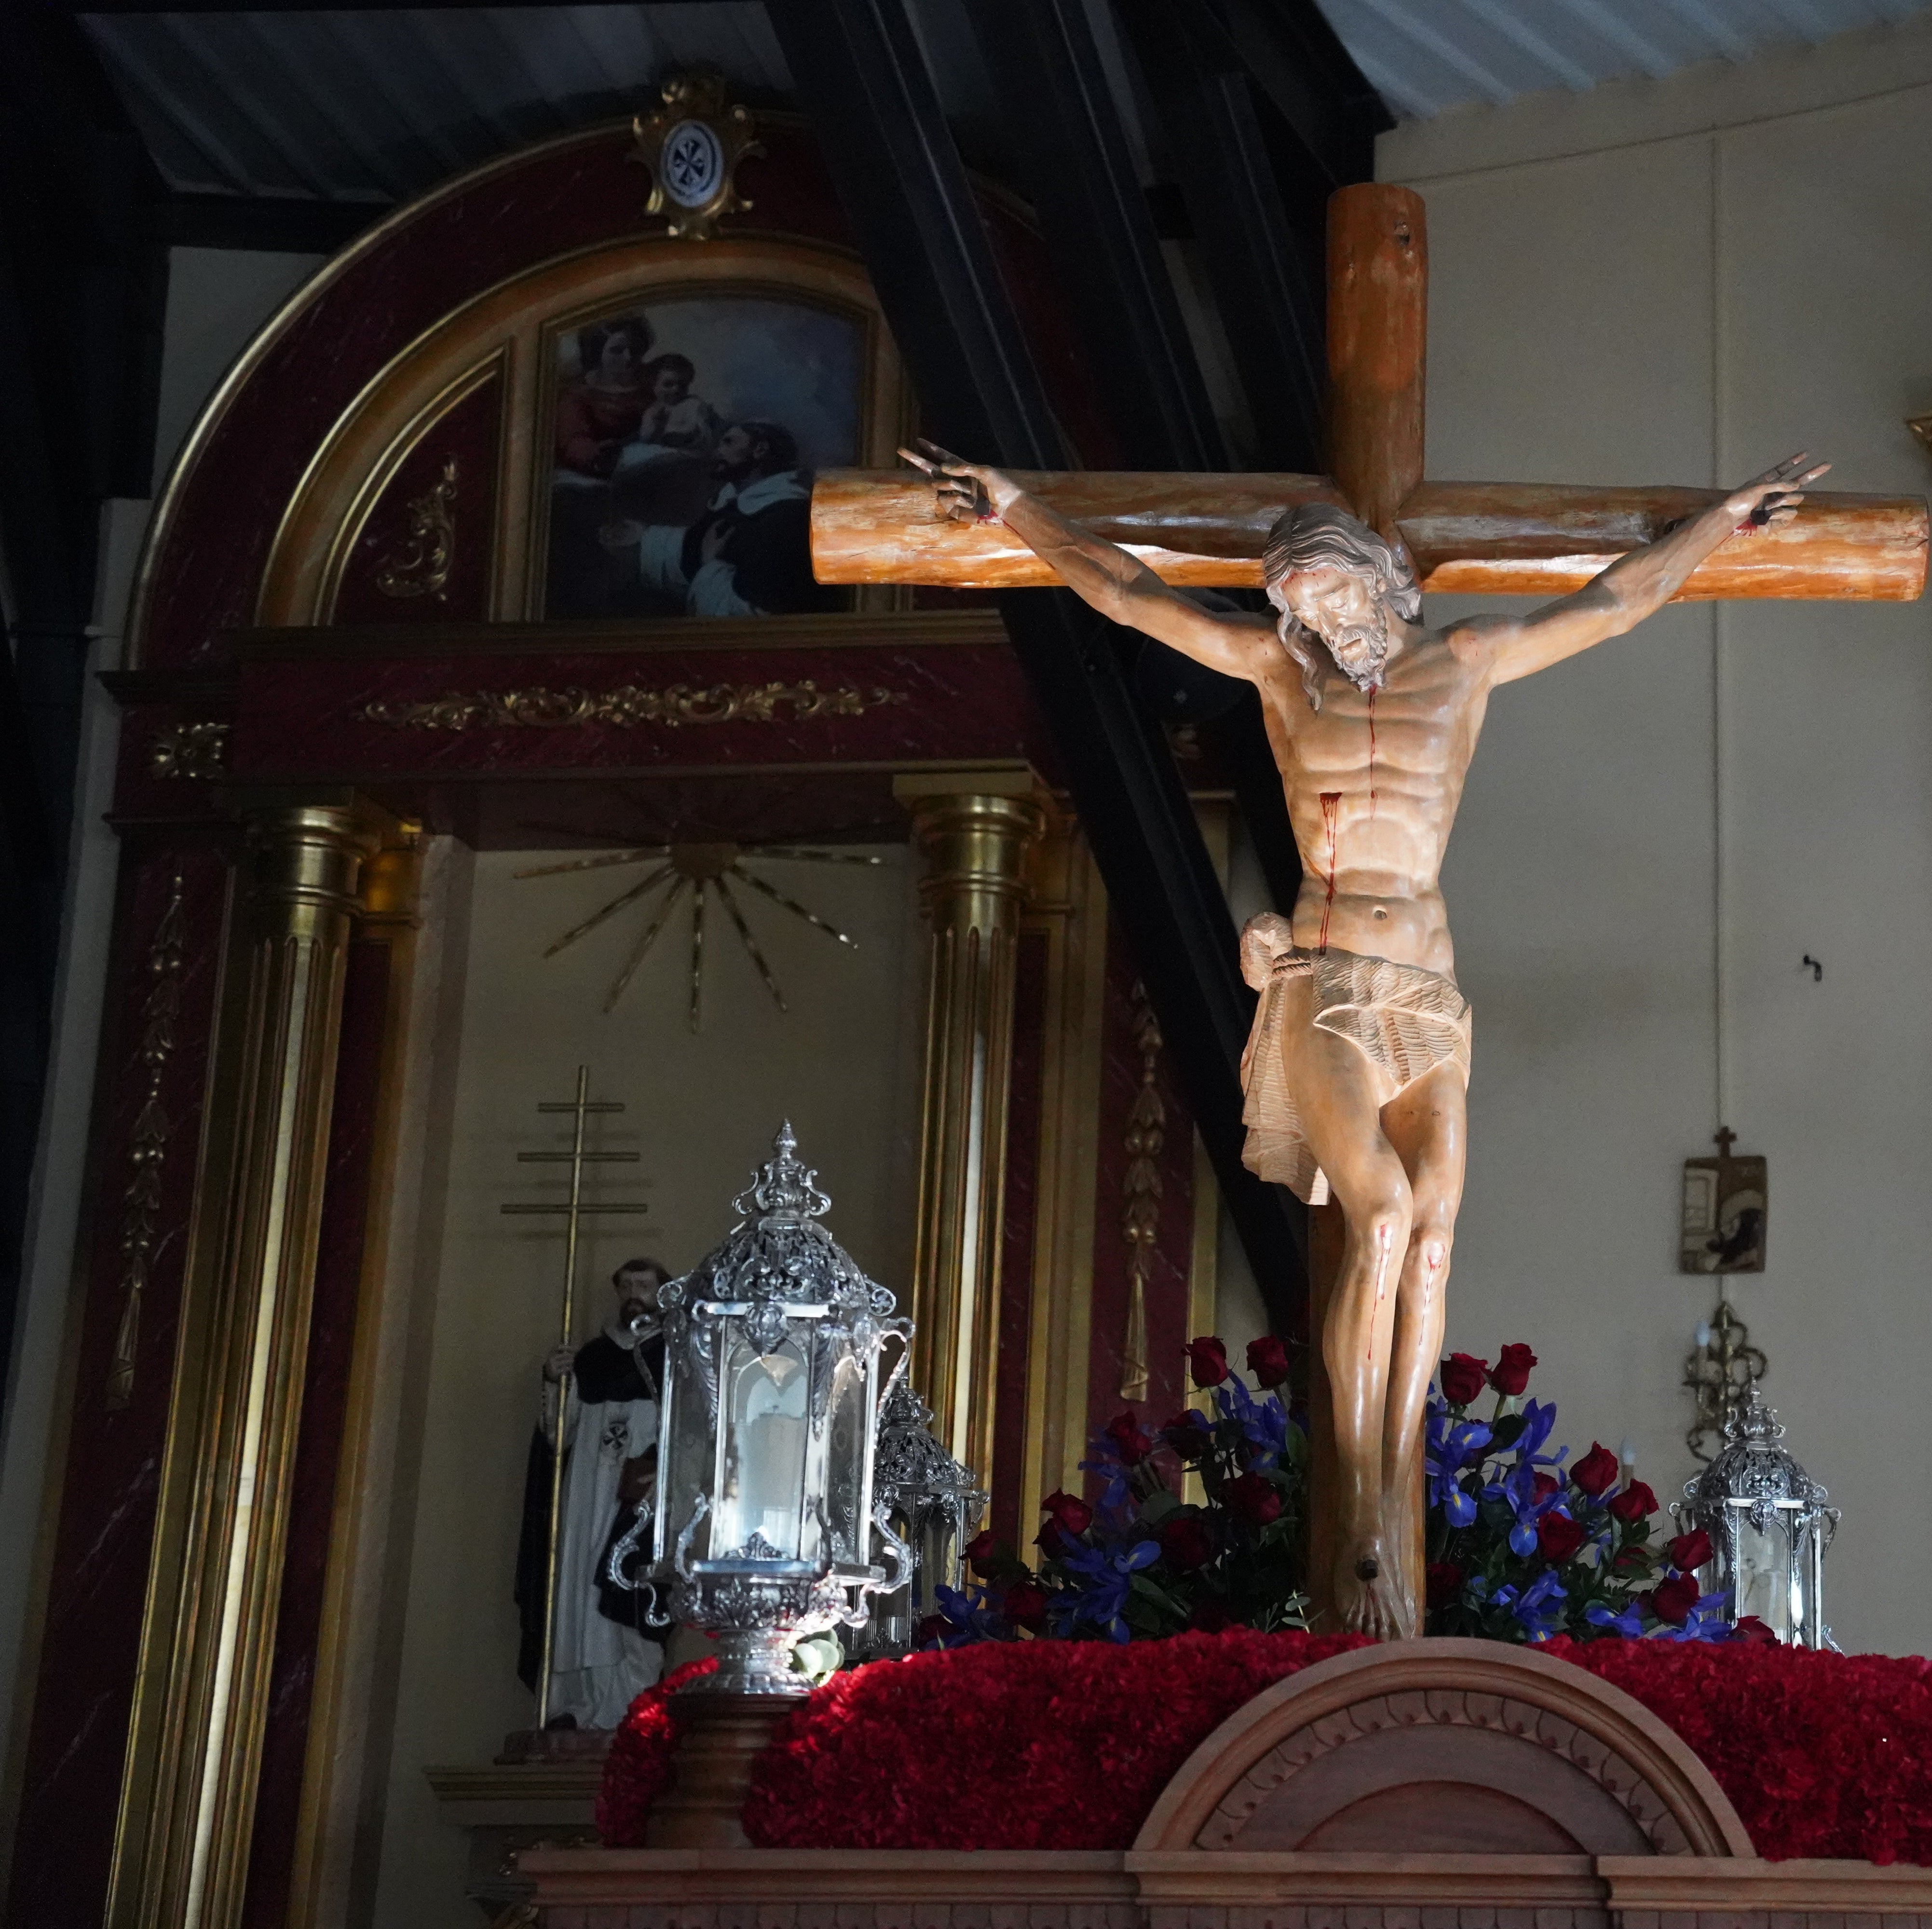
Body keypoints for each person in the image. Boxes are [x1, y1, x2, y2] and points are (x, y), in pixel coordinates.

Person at [902, 440, 1823, 1636]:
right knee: (1376, 1213)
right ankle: (1365, 1488)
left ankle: (1395, 1470)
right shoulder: (1287, 681)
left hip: (1428, 997)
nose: (1315, 619)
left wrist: (1724, 524)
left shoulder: (1469, 665)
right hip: (1328, 980)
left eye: (1328, 595)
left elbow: (1615, 601)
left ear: (1382, 582)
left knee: (1432, 1238)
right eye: (1294, 605)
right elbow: (1134, 596)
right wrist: (1023, 511)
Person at [515, 1256, 669, 1729]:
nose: (633, 1294)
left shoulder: (679, 1356)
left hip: (639, 1501)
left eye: (643, 1285)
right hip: (586, 1494)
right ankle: (576, 1707)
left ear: (662, 1293)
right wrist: (555, 1382)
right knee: (578, 1592)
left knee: (629, 1593)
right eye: (625, 1286)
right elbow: (558, 1436)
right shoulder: (589, 1359)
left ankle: (630, 1705)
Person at [600, 419, 834, 615]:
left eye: (729, 442)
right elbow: (705, 540)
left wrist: (710, 565)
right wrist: (647, 536)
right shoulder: (737, 499)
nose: (718, 452)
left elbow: (750, 614)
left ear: (760, 450)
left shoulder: (783, 519)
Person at [554, 315, 654, 478]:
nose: (628, 358)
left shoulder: (652, 381)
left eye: (634, 348)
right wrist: (596, 453)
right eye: (617, 350)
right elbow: (573, 441)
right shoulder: (578, 395)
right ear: (597, 352)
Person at [633, 353, 721, 458]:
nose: (676, 390)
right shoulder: (651, 412)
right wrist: (656, 426)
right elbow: (645, 440)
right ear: (653, 385)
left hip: (688, 456)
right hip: (661, 457)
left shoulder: (692, 404)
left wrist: (670, 436)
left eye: (682, 385)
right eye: (668, 385)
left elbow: (698, 433)